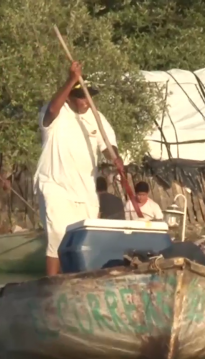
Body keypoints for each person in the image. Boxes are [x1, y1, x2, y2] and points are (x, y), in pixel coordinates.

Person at [34, 60, 125, 276]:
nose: (86, 100)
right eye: (81, 95)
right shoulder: (57, 112)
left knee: (83, 240)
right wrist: (72, 79)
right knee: (57, 234)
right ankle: (51, 284)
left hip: (85, 190)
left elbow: (107, 145)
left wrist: (115, 158)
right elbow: (53, 109)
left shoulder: (96, 117)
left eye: (88, 95)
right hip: (55, 185)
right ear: (71, 97)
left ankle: (77, 282)